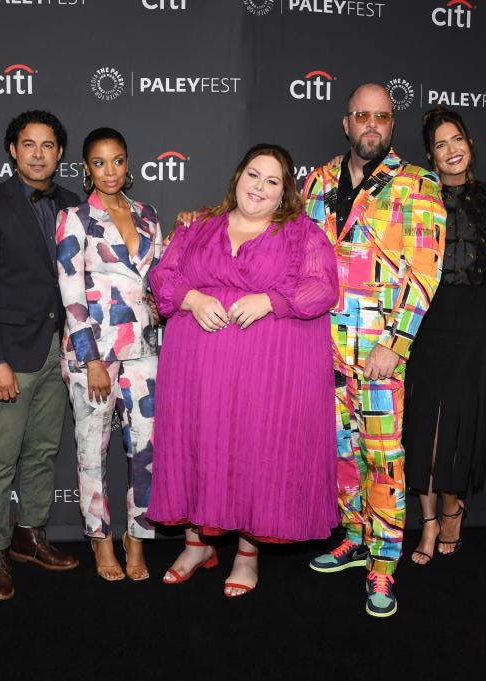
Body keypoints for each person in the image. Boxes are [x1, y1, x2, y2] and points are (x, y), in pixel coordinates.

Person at [148, 143, 338, 598]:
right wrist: (194, 299)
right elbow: (163, 277)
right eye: (254, 175)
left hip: (265, 373)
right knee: (198, 443)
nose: (260, 187)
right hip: (197, 368)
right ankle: (196, 545)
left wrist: (270, 300)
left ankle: (247, 555)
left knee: (254, 451)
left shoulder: (302, 233)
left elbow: (322, 288)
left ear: (284, 192)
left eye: (272, 181)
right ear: (237, 177)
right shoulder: (199, 228)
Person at [302, 83, 446, 617]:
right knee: (341, 455)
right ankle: (356, 537)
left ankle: (384, 567)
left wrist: (397, 341)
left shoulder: (417, 183)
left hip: (381, 352)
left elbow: (425, 271)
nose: (371, 124)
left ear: (392, 125)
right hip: (322, 351)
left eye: (381, 116)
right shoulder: (316, 181)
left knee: (384, 459)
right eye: (361, 114)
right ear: (347, 123)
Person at [0, 111, 81, 601]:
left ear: (60, 153)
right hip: (10, 357)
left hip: (57, 352)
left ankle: (29, 536)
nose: (38, 153)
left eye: (48, 145)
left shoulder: (75, 205)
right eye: (29, 144)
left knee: (42, 452)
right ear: (13, 150)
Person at [56, 128, 163, 582]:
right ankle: (100, 540)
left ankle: (136, 537)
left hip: (144, 349)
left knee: (147, 450)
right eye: (99, 163)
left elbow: (160, 280)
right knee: (91, 451)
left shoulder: (148, 215)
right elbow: (70, 291)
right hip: (93, 352)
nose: (110, 171)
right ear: (86, 169)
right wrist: (92, 358)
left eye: (117, 160)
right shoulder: (75, 218)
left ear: (128, 163)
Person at [404, 107, 486, 565]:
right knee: (425, 421)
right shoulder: (418, 196)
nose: (451, 150)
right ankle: (427, 521)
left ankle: (452, 507)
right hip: (427, 317)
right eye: (441, 144)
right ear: (430, 155)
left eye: (457, 139)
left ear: (470, 144)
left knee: (461, 422)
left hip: (474, 319)